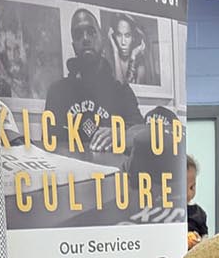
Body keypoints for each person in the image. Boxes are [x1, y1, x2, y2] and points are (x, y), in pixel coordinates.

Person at [44, 8, 145, 155]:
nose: (85, 38)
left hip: (113, 169)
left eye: (91, 32)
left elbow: (142, 133)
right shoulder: (57, 92)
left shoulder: (121, 91)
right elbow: (49, 146)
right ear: (74, 46)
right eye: (78, 34)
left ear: (101, 39)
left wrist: (120, 134)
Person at [106, 14, 149, 86]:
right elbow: (118, 87)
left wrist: (133, 57)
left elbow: (127, 91)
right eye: (119, 35)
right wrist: (115, 52)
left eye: (127, 36)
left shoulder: (140, 67)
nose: (123, 42)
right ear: (114, 37)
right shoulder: (107, 63)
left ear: (133, 37)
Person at [186, 154, 208, 248]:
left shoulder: (199, 213)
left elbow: (205, 237)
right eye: (182, 187)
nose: (189, 193)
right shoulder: (165, 213)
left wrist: (200, 242)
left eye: (192, 187)